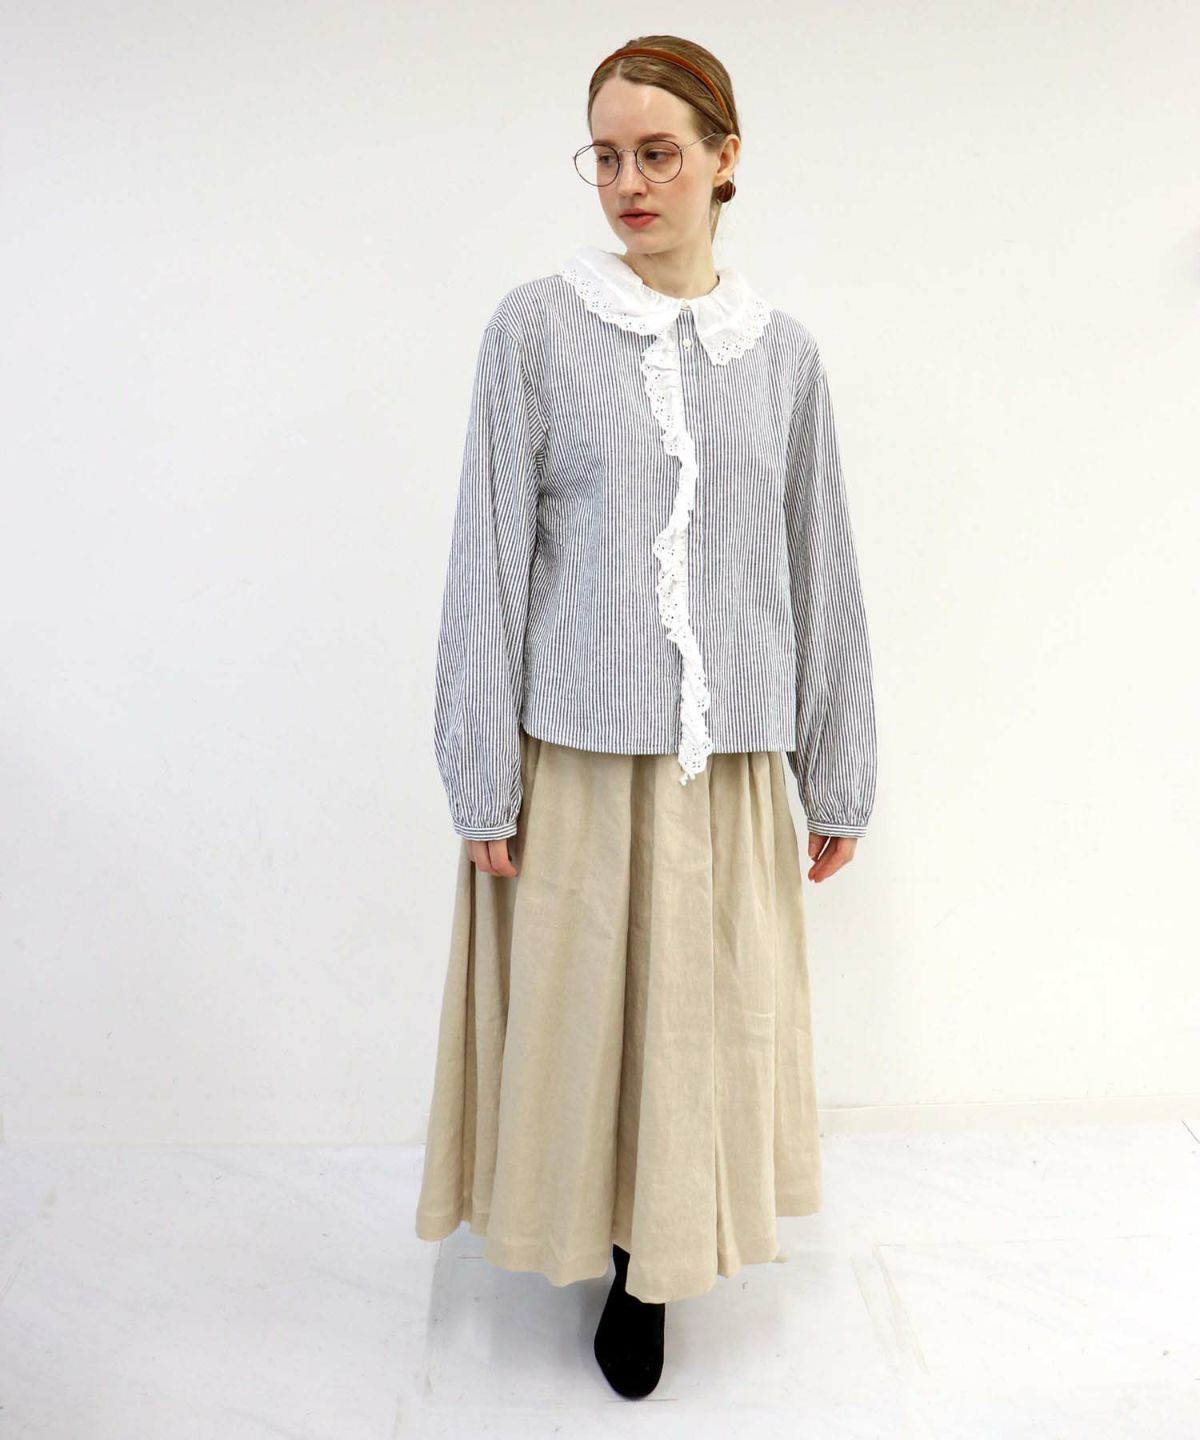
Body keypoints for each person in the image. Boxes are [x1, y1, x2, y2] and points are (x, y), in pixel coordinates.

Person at [414, 34, 877, 1400]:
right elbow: (488, 561)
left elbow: (817, 565)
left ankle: (647, 1266)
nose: (628, 183)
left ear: (726, 160)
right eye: (607, 156)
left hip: (724, 766)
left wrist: (838, 770)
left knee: (697, 1031)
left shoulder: (781, 357)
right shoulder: (535, 331)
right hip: (574, 752)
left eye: (658, 153)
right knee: (581, 1030)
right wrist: (479, 771)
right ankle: (583, 1226)